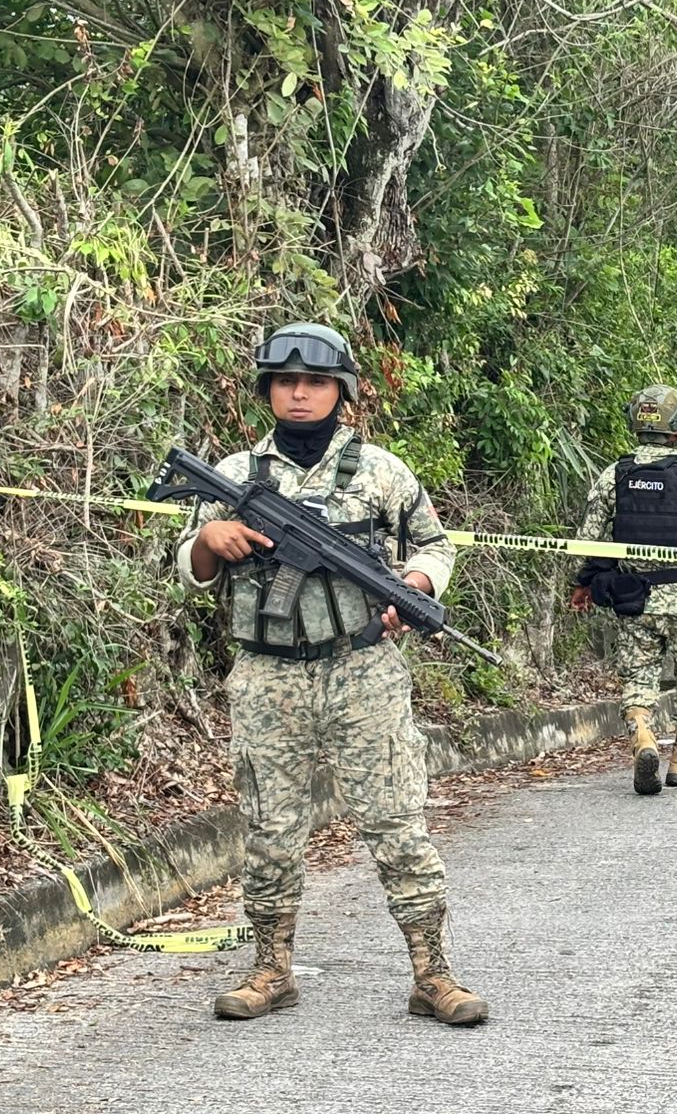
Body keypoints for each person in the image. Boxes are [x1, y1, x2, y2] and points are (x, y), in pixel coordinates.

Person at [174, 322, 487, 1026]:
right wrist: (207, 540)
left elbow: (435, 545)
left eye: (314, 381)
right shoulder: (231, 473)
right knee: (268, 829)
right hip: (267, 676)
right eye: (285, 381)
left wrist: (416, 583)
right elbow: (188, 568)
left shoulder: (382, 470)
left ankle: (432, 974)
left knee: (397, 824)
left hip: (362, 668)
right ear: (267, 391)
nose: (299, 393)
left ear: (340, 391)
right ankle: (270, 970)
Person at [570, 384, 677, 795]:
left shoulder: (614, 475)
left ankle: (643, 735)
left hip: (634, 600)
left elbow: (587, 539)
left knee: (638, 678)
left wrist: (582, 582)